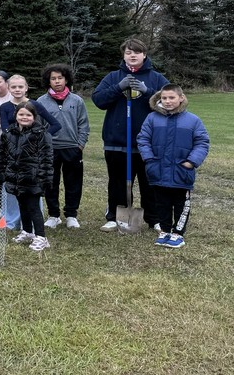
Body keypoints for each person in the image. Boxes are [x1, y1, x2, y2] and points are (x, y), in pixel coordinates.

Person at [92, 37, 170, 232]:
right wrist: (118, 87)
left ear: (144, 54)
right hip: (117, 141)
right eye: (128, 52)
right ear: (124, 56)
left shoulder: (157, 78)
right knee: (117, 182)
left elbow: (168, 105)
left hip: (148, 142)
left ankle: (154, 219)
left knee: (149, 183)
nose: (132, 55)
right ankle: (114, 217)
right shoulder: (113, 77)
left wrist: (148, 92)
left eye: (136, 52)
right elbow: (98, 100)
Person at [137, 84, 210, 249]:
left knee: (181, 204)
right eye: (164, 98)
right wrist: (149, 159)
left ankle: (178, 233)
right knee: (161, 203)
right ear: (159, 99)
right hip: (158, 170)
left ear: (181, 98)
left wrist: (191, 162)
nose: (168, 101)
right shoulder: (152, 118)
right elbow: (143, 139)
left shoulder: (192, 120)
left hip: (181, 172)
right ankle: (164, 230)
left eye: (172, 98)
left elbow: (202, 142)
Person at [0, 74, 60, 230]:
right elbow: (5, 130)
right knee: (12, 191)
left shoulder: (34, 105)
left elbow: (55, 124)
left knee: (32, 192)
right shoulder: (4, 107)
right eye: (13, 87)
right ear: (8, 88)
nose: (17, 89)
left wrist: (40, 138)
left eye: (20, 86)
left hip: (32, 158)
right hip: (14, 156)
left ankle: (33, 224)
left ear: (26, 88)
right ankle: (11, 222)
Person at [36, 64, 90, 229]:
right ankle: (53, 215)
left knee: (73, 182)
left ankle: (71, 215)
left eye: (60, 78)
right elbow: (38, 126)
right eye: (53, 78)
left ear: (66, 79)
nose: (57, 81)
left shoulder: (77, 100)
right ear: (48, 81)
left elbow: (84, 125)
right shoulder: (41, 101)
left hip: (72, 148)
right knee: (50, 182)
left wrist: (79, 145)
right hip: (50, 149)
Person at [0, 102, 54, 252]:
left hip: (33, 178)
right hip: (15, 178)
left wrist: (45, 179)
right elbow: (1, 156)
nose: (24, 117)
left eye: (28, 115)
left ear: (34, 117)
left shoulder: (41, 134)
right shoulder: (8, 133)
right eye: (21, 114)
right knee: (22, 205)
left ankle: (41, 237)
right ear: (16, 115)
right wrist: (1, 173)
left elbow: (47, 159)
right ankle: (27, 231)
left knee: (34, 207)